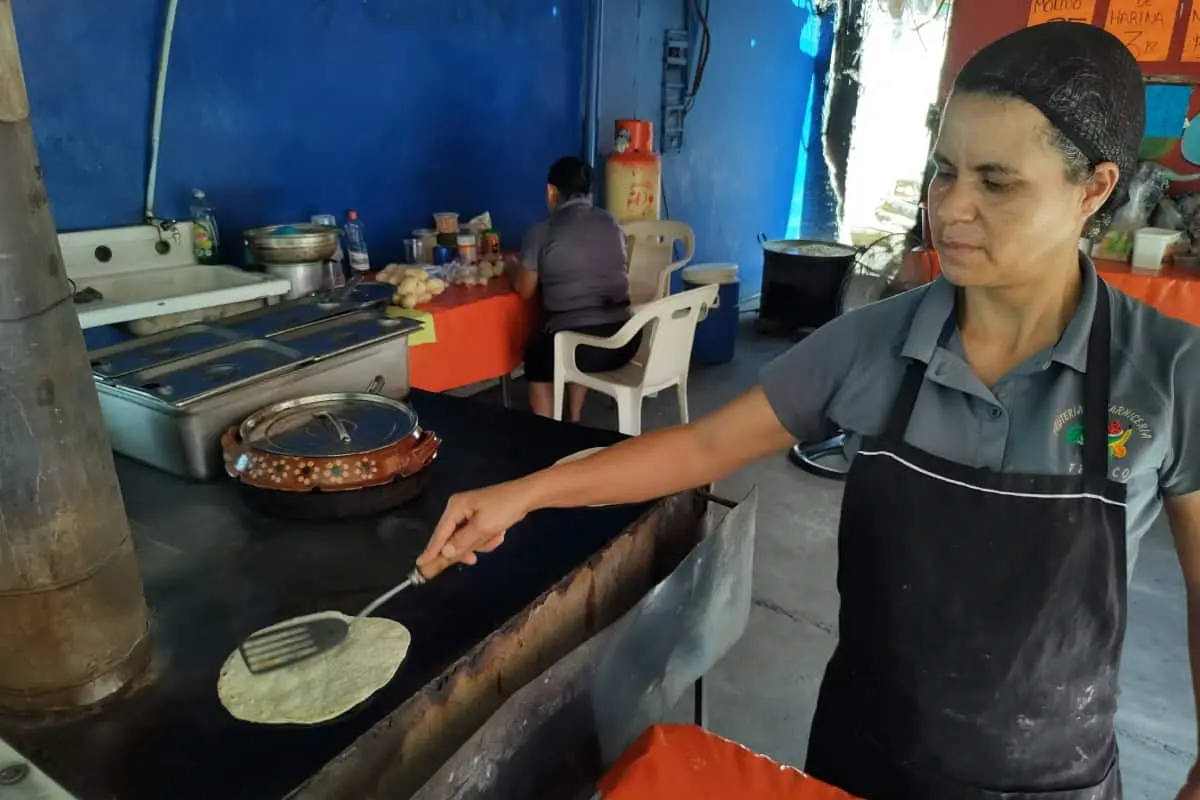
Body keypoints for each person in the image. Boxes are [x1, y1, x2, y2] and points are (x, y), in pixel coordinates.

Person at [421, 23, 1200, 800]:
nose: (951, 209)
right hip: (863, 763)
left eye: (996, 183)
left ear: (1093, 190)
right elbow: (698, 449)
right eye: (944, 172)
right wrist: (526, 493)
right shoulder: (871, 346)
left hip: (1053, 783)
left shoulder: (1172, 372)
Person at [512, 156, 642, 421]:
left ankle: (547, 433)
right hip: (625, 341)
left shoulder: (541, 232)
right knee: (575, 330)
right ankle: (574, 416)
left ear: (551, 192)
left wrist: (510, 266)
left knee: (541, 358)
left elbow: (525, 290)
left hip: (580, 350)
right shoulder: (611, 222)